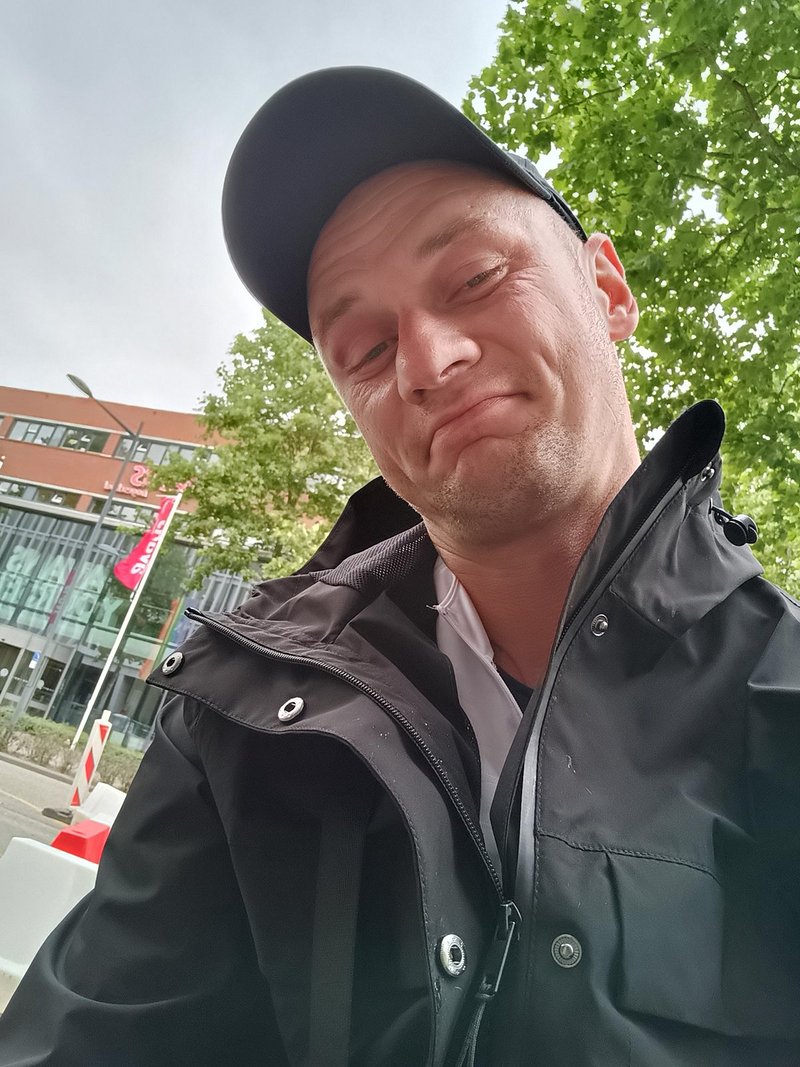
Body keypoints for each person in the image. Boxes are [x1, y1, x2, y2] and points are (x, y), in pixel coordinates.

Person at [1, 66, 798, 1067]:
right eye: (366, 349)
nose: (426, 361)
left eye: (474, 278)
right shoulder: (239, 709)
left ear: (607, 289)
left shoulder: (781, 697)